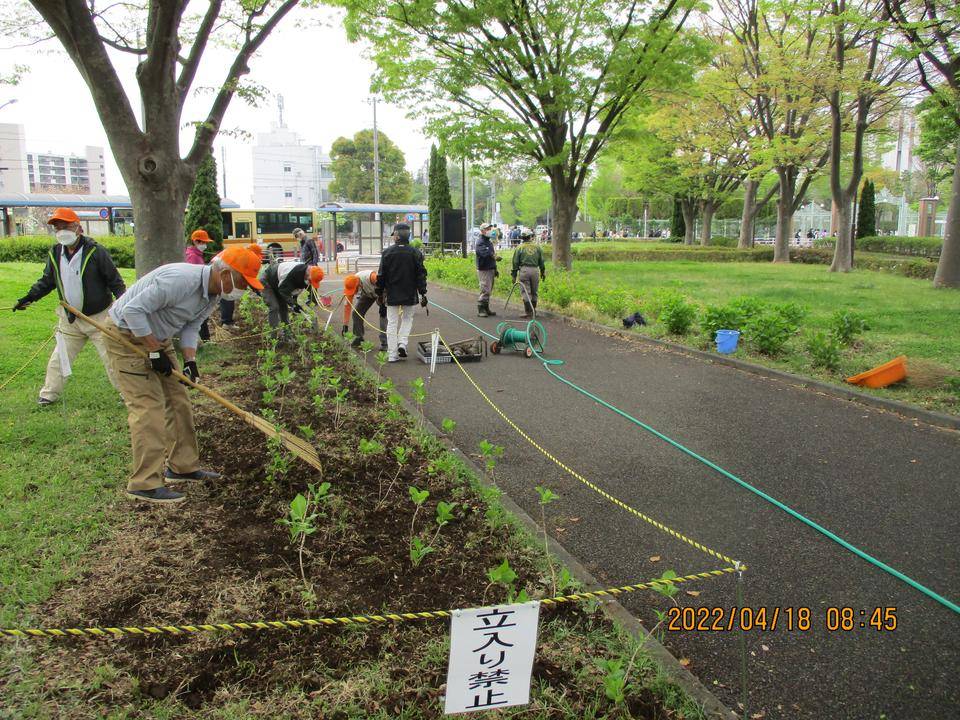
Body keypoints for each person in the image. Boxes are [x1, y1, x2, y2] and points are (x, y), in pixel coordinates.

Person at [103, 246, 262, 504]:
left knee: (179, 401)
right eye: (242, 281)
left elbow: (192, 326)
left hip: (159, 337)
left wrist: (190, 360)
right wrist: (154, 352)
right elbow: (133, 311)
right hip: (126, 335)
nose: (242, 289)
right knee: (149, 408)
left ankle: (182, 467)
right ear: (224, 273)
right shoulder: (179, 280)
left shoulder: (213, 293)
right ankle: (144, 483)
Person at [13, 207, 126, 406]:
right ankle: (49, 394)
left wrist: (124, 306)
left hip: (99, 317)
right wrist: (29, 297)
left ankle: (128, 393)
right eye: (57, 227)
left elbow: (115, 282)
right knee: (59, 357)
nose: (61, 230)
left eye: (65, 226)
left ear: (78, 228)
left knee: (112, 358)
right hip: (70, 318)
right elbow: (47, 281)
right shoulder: (56, 252)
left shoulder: (96, 251)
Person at [375, 223, 427, 363]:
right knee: (407, 319)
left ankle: (392, 354)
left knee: (392, 322)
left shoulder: (387, 253)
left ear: (397, 236)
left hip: (392, 293)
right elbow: (421, 275)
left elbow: (381, 276)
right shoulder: (416, 253)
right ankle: (402, 343)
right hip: (410, 293)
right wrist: (423, 292)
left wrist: (379, 293)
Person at [259, 259, 324, 330]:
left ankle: (287, 333)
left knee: (283, 308)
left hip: (279, 283)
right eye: (310, 280)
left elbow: (295, 289)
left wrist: (295, 302)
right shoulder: (295, 273)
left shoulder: (305, 274)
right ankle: (273, 337)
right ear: (308, 274)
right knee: (274, 307)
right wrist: (293, 305)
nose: (310, 282)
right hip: (268, 280)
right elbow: (283, 291)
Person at [217, 243, 262, 327]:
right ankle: (226, 322)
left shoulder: (242, 254)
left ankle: (227, 321)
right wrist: (257, 290)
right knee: (227, 298)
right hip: (221, 275)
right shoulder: (242, 257)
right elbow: (244, 276)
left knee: (228, 298)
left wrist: (256, 289)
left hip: (222, 274)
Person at [342, 271, 387, 350]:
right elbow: (348, 306)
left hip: (381, 292)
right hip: (368, 293)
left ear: (358, 284)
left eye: (355, 290)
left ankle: (385, 343)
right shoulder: (350, 284)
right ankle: (358, 338)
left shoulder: (370, 277)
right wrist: (345, 326)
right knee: (356, 313)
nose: (354, 293)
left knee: (383, 315)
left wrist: (382, 298)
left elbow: (384, 283)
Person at [512, 228, 546, 318]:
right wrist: (543, 272)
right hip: (535, 270)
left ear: (522, 238)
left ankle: (528, 312)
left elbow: (515, 262)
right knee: (534, 291)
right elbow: (541, 261)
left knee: (526, 291)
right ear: (531, 236)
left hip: (524, 270)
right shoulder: (537, 247)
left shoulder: (519, 248)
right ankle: (534, 311)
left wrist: (514, 275)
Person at [184, 229, 212, 341]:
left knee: (202, 317)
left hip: (198, 290)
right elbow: (192, 276)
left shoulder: (197, 254)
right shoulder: (192, 256)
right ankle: (205, 340)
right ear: (196, 242)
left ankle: (204, 339)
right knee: (201, 317)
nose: (205, 245)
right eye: (203, 242)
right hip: (196, 291)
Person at [475, 223, 500, 317]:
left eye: (490, 228)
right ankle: (481, 309)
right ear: (482, 231)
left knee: (489, 289)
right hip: (484, 269)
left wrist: (495, 268)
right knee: (485, 289)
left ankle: (486, 308)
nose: (490, 230)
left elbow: (491, 254)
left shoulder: (488, 241)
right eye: (487, 229)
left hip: (490, 268)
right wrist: (494, 257)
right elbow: (483, 254)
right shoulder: (480, 242)